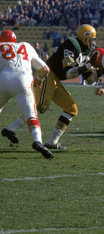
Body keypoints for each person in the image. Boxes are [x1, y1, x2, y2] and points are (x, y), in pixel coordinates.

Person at [2, 24, 97, 150]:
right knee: (40, 107)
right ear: (85, 38)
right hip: (48, 74)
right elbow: (69, 72)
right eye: (92, 39)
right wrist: (88, 65)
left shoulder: (88, 52)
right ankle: (11, 129)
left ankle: (52, 142)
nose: (93, 42)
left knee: (71, 108)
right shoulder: (72, 44)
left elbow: (90, 80)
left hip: (56, 79)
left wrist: (99, 70)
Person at [0, 30, 54, 159]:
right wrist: (38, 80)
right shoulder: (26, 45)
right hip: (23, 78)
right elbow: (45, 69)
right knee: (31, 114)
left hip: (4, 77)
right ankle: (37, 141)